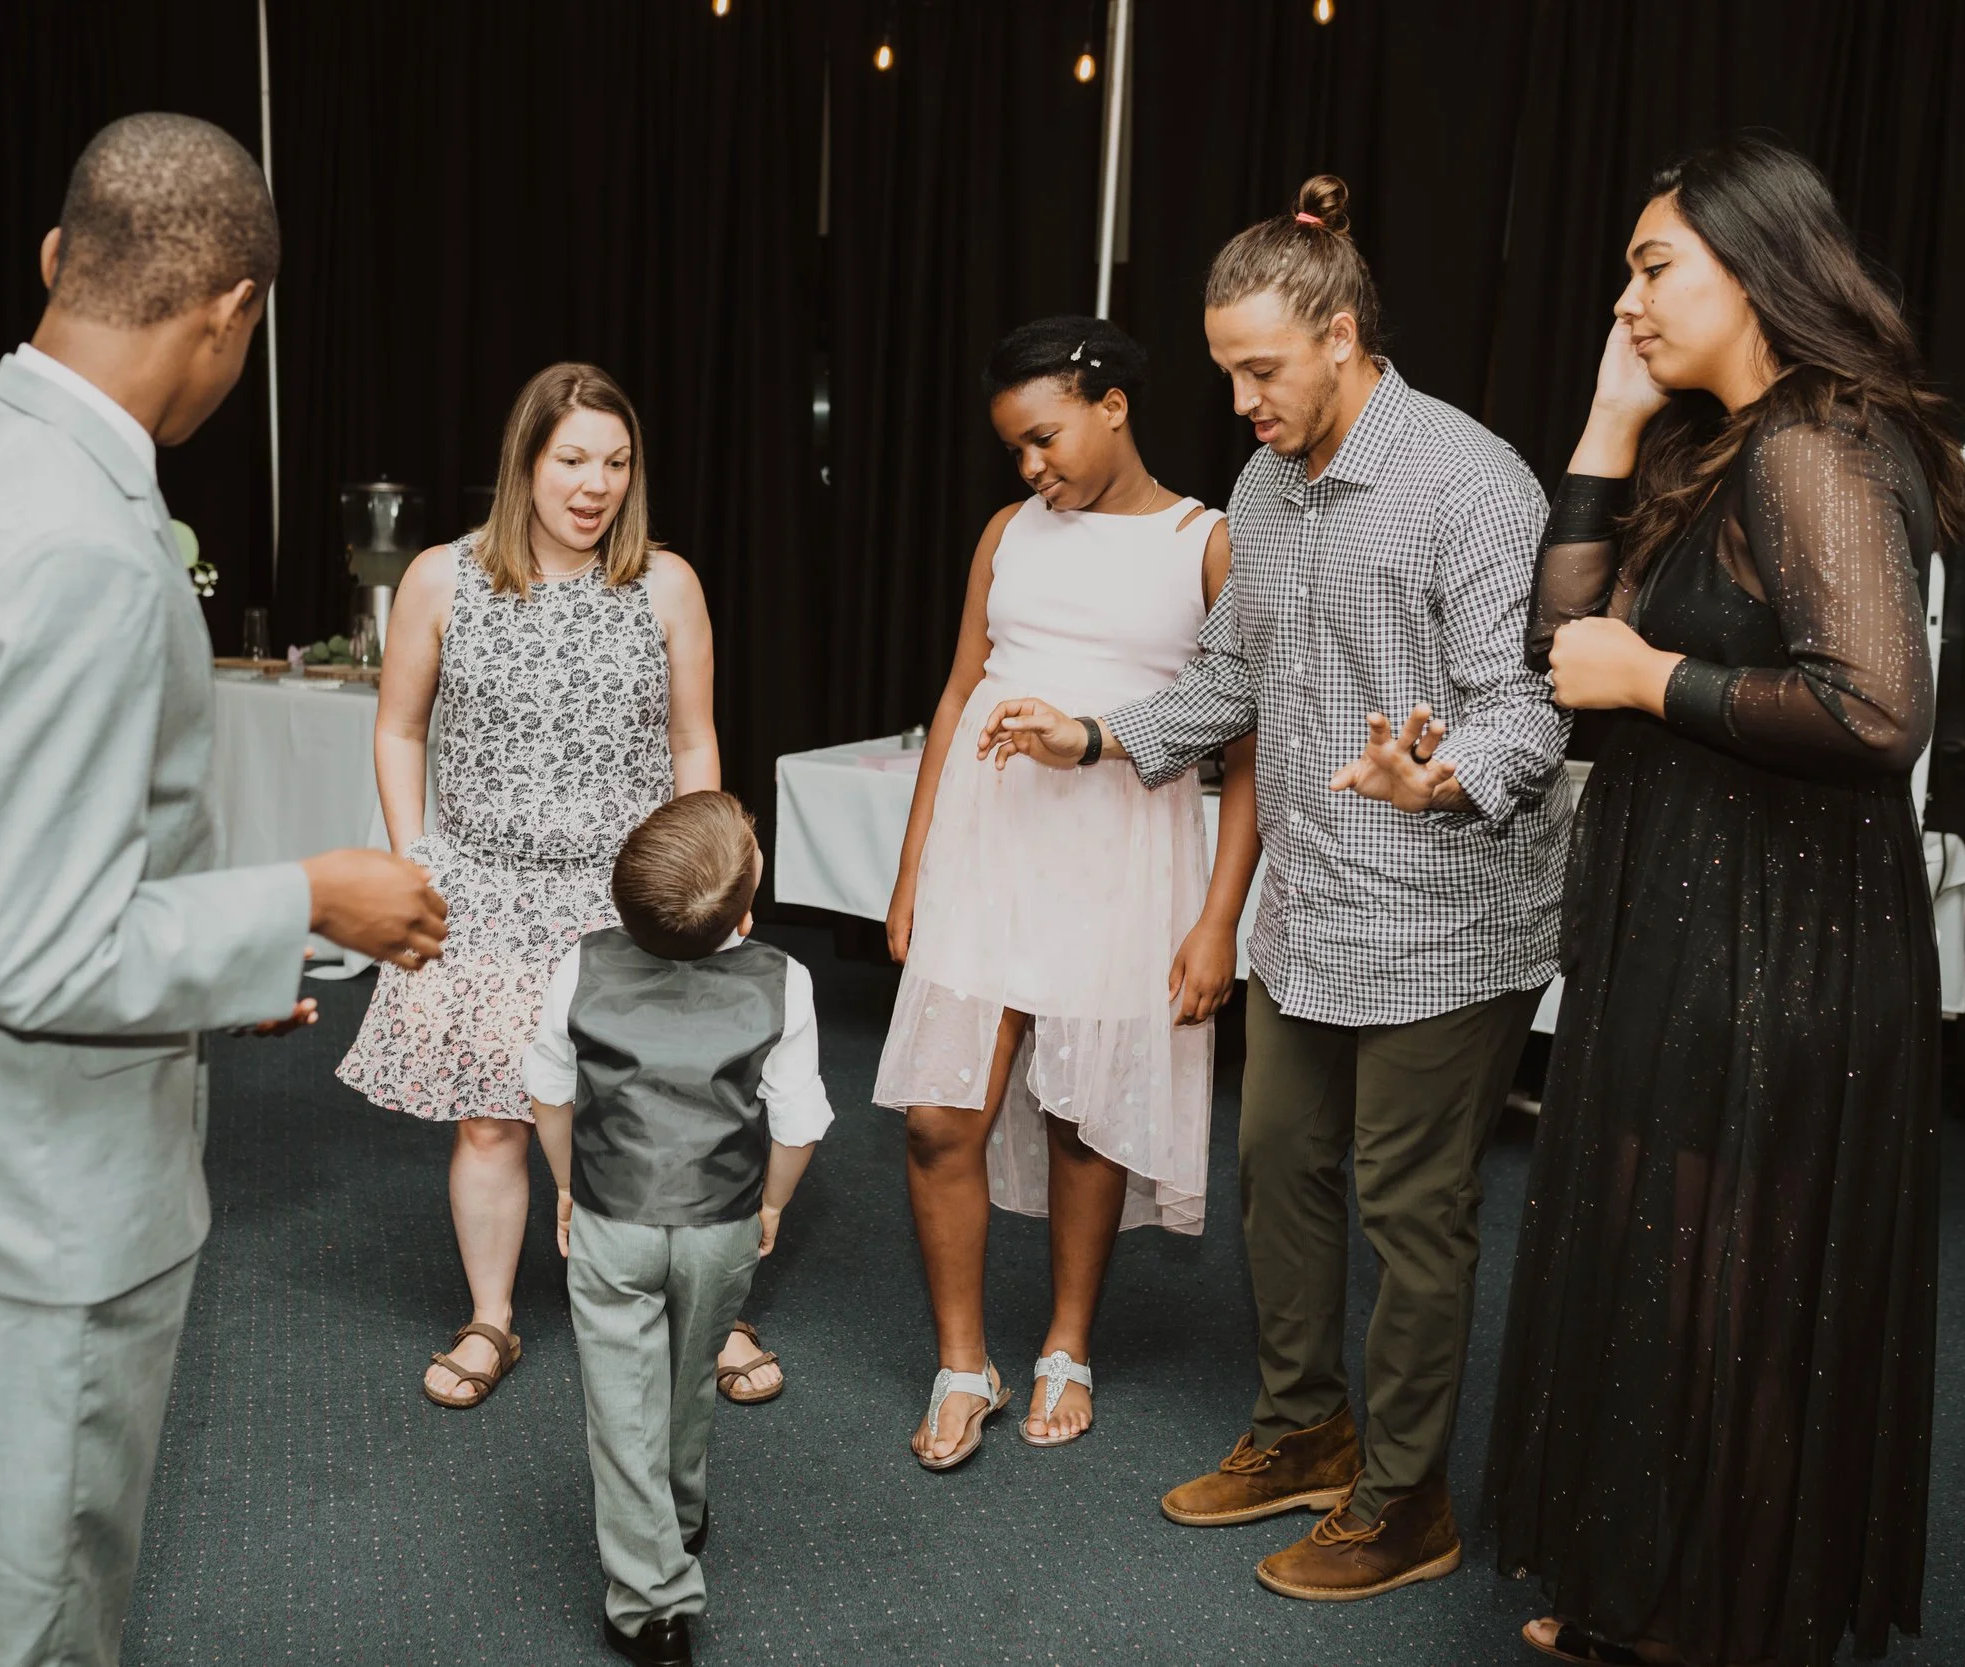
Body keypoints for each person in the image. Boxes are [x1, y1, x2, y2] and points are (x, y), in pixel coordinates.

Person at [0, 114, 447, 1667]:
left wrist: (212, 953)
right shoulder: (85, 545)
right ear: (231, 312)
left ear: (56, 260)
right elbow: (41, 953)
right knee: (34, 1613)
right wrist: (310, 894)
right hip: (40, 1187)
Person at [980, 176, 1567, 1598]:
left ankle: (1405, 1500)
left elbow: (1528, 709)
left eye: (1263, 369)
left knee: (1412, 1207)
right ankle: (1305, 1431)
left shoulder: (1473, 484)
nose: (1241, 399)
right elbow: (1232, 679)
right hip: (1305, 911)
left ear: (1344, 335)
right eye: (1228, 371)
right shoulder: (1263, 484)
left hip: (1445, 913)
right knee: (1276, 1172)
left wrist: (1446, 776)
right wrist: (1101, 733)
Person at [1485, 138, 1965, 1667]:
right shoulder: (1725, 437)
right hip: (1694, 917)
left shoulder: (1812, 443)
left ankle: (1715, 1621)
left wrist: (1659, 675)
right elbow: (1560, 658)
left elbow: (1880, 708)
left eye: (1653, 267)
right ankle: (1671, 1595)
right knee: (1671, 1273)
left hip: (1778, 942)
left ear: (1758, 268)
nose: (1625, 296)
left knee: (1732, 1290)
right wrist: (1608, 421)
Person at [338, 362, 781, 1410]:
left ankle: (706, 1308)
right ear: (525, 463)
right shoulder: (444, 578)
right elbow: (399, 727)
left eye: (616, 463)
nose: (595, 485)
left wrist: (708, 874)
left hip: (622, 898)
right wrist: (417, 864)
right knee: (491, 1118)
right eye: (572, 459)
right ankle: (492, 1316)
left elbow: (693, 738)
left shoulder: (664, 584)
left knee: (659, 1113)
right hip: (481, 887)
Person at [878, 316, 1256, 1471]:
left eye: (1043, 438)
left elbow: (1248, 745)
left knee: (1087, 1119)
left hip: (1121, 861)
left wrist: (1216, 920)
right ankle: (961, 1359)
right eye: (1014, 451)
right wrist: (911, 862)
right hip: (988, 853)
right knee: (943, 1114)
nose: (1031, 468)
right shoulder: (1008, 531)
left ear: (1111, 403)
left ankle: (1067, 1343)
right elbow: (955, 695)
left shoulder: (1207, 541)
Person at [526, 791, 829, 1667]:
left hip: (612, 1213)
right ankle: (683, 1514)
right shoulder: (785, 978)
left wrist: (565, 1185)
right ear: (746, 905)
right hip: (723, 1219)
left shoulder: (582, 964)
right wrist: (770, 1205)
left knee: (620, 1399)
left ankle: (650, 1607)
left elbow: (549, 1089)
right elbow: (799, 1119)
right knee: (692, 1368)